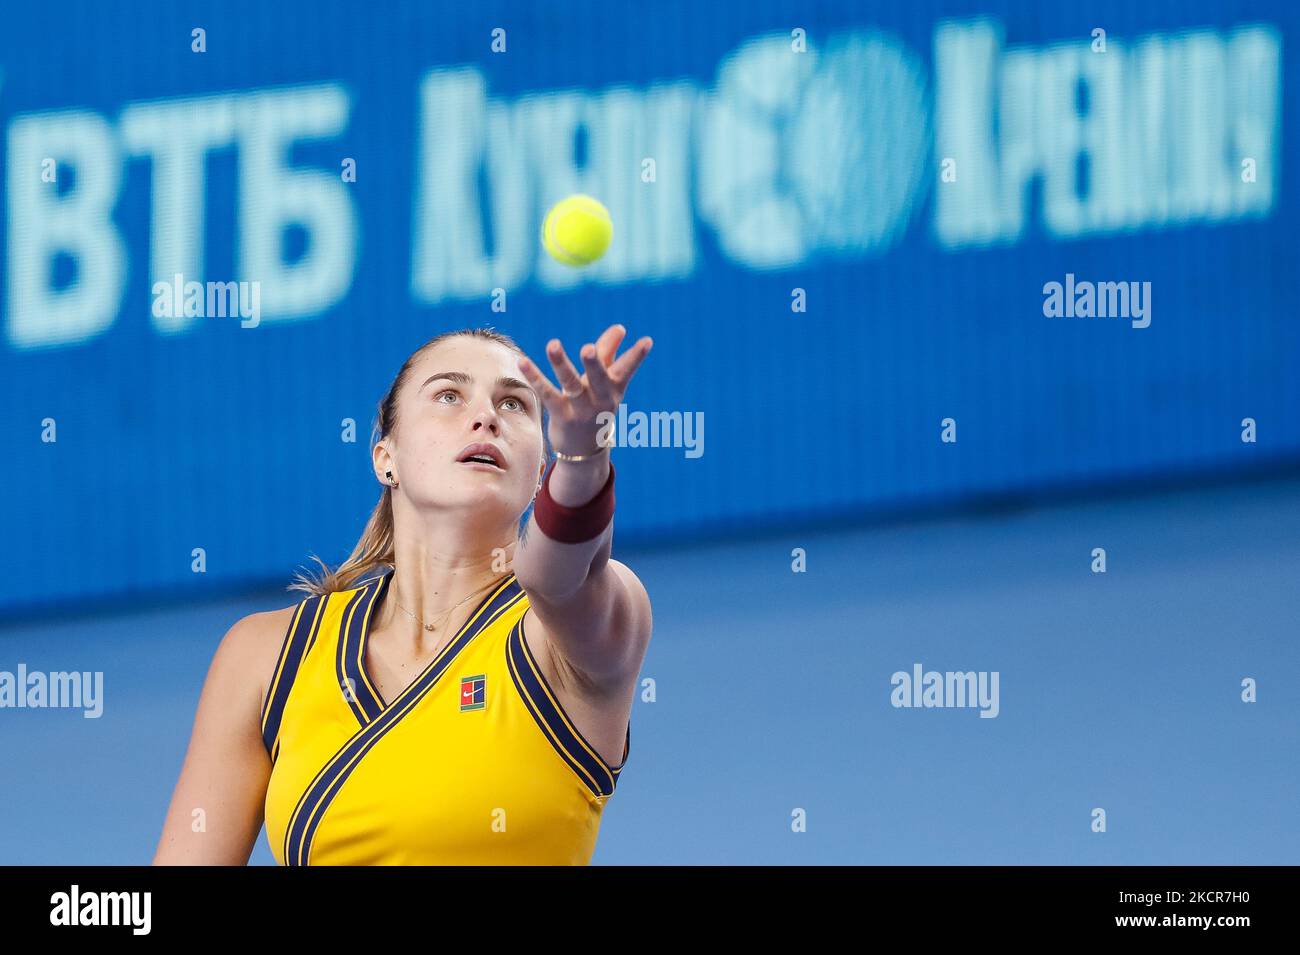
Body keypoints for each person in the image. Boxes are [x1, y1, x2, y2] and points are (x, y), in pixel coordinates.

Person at [153, 324, 654, 864]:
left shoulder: (576, 634)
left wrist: (582, 462)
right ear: (384, 456)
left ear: (540, 473)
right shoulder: (267, 657)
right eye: (448, 395)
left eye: (514, 403)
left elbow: (558, 576)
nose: (485, 416)